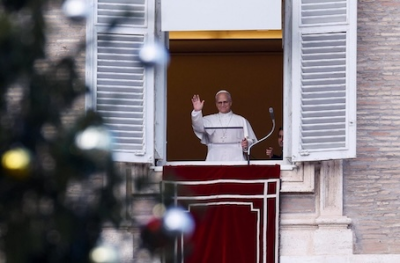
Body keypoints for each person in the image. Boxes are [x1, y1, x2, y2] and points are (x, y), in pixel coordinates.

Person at [191, 90, 257, 161]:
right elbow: (198, 128)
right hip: (214, 158)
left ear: (230, 102)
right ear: (216, 104)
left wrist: (247, 143)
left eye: (225, 102)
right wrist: (197, 111)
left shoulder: (241, 120)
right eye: (220, 102)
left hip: (236, 158)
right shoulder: (209, 120)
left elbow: (251, 140)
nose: (222, 105)